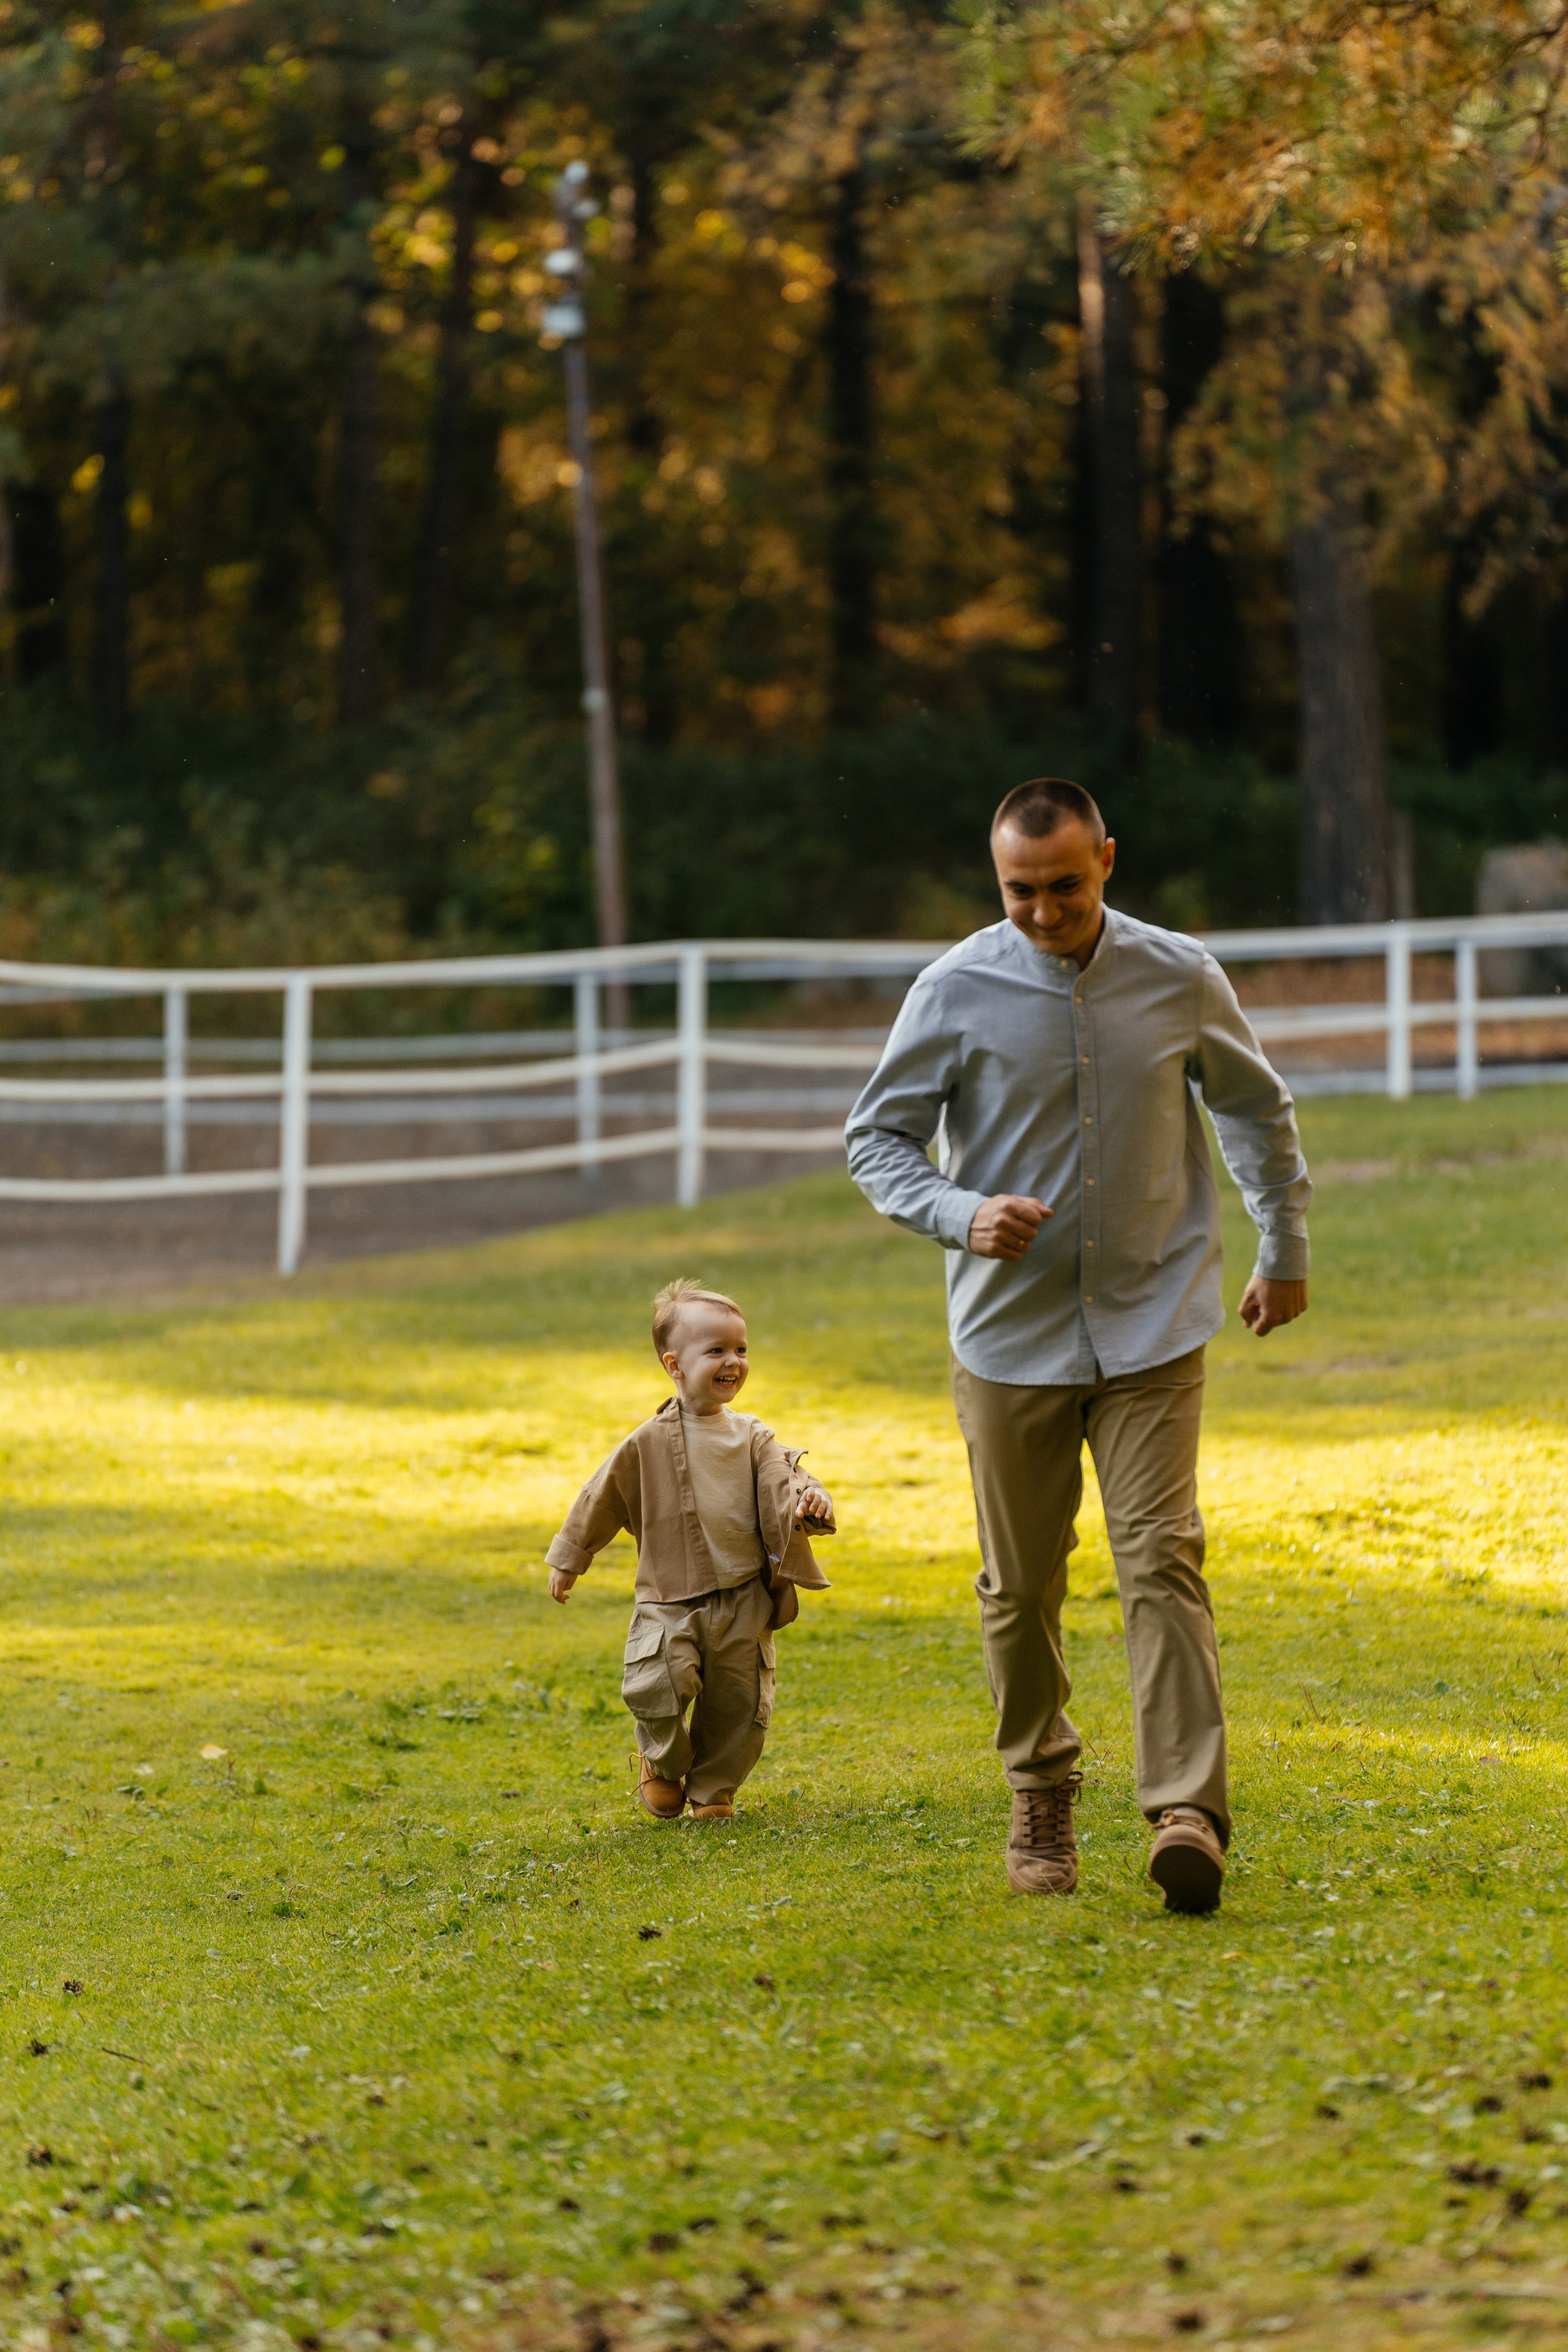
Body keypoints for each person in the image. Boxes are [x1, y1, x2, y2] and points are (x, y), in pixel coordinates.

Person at [845, 777, 1311, 1914]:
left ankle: (1185, 1812)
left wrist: (1282, 1243)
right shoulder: (954, 988)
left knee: (1162, 1558)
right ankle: (1041, 1786)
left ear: (1108, 858)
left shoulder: (1179, 974)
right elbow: (877, 1140)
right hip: (1010, 1340)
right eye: (1020, 891)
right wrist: (961, 1214)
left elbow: (1255, 1109)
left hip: (1156, 1322)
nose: (1044, 911)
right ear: (995, 877)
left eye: (1063, 886)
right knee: (1021, 1588)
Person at [545, 1278, 835, 1822]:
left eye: (742, 1349)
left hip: (744, 1596)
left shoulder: (753, 1436)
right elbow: (600, 1497)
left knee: (739, 1704)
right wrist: (570, 1557)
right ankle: (662, 1762)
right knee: (658, 1682)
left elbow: (786, 1478)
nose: (734, 1362)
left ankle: (713, 1790)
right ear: (674, 1365)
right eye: (717, 1351)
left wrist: (809, 1497)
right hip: (669, 1597)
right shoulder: (647, 1441)